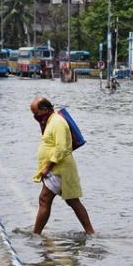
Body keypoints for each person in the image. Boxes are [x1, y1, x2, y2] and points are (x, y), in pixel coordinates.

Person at [30, 97, 95, 235]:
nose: (35, 117)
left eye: (36, 113)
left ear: (45, 110)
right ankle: (90, 232)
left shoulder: (57, 122)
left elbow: (62, 148)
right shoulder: (49, 122)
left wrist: (48, 166)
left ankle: (35, 234)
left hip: (58, 169)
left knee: (44, 199)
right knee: (73, 202)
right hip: (57, 169)